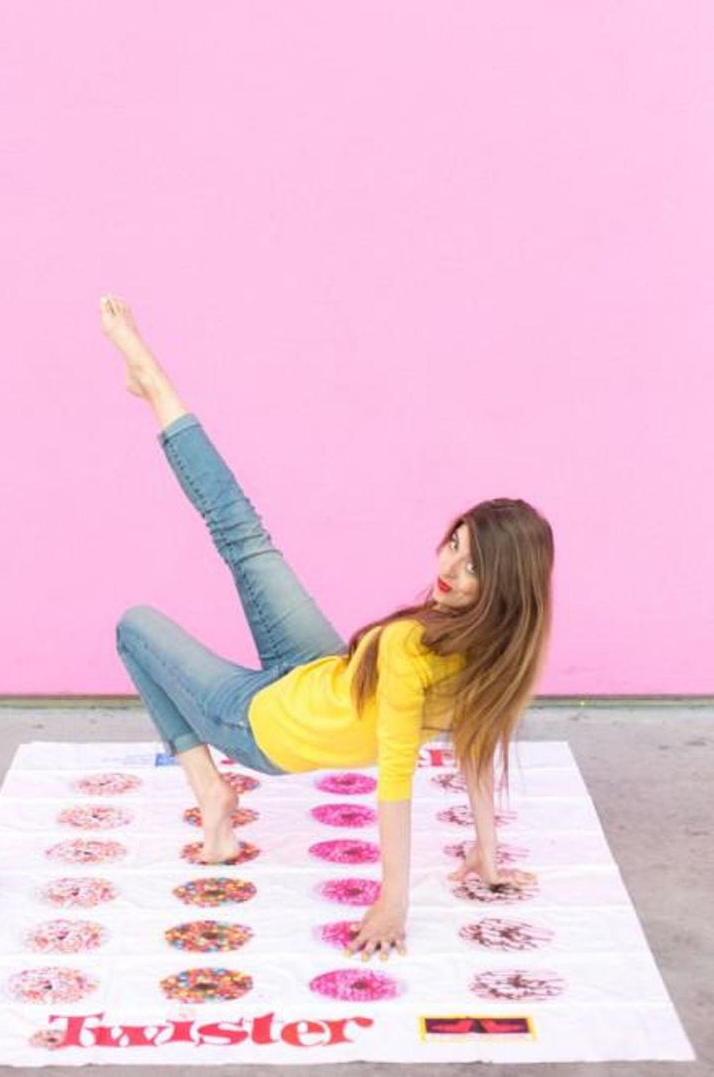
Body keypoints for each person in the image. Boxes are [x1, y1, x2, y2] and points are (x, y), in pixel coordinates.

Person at [100, 295, 551, 960]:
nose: (448, 566)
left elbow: (400, 778)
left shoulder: (415, 650)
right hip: (322, 671)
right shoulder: (481, 644)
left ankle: (212, 789)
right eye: (453, 542)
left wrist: (393, 900)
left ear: (508, 587)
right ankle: (157, 387)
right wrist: (485, 853)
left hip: (262, 724)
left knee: (133, 626)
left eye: (472, 563)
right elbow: (475, 746)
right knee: (242, 531)